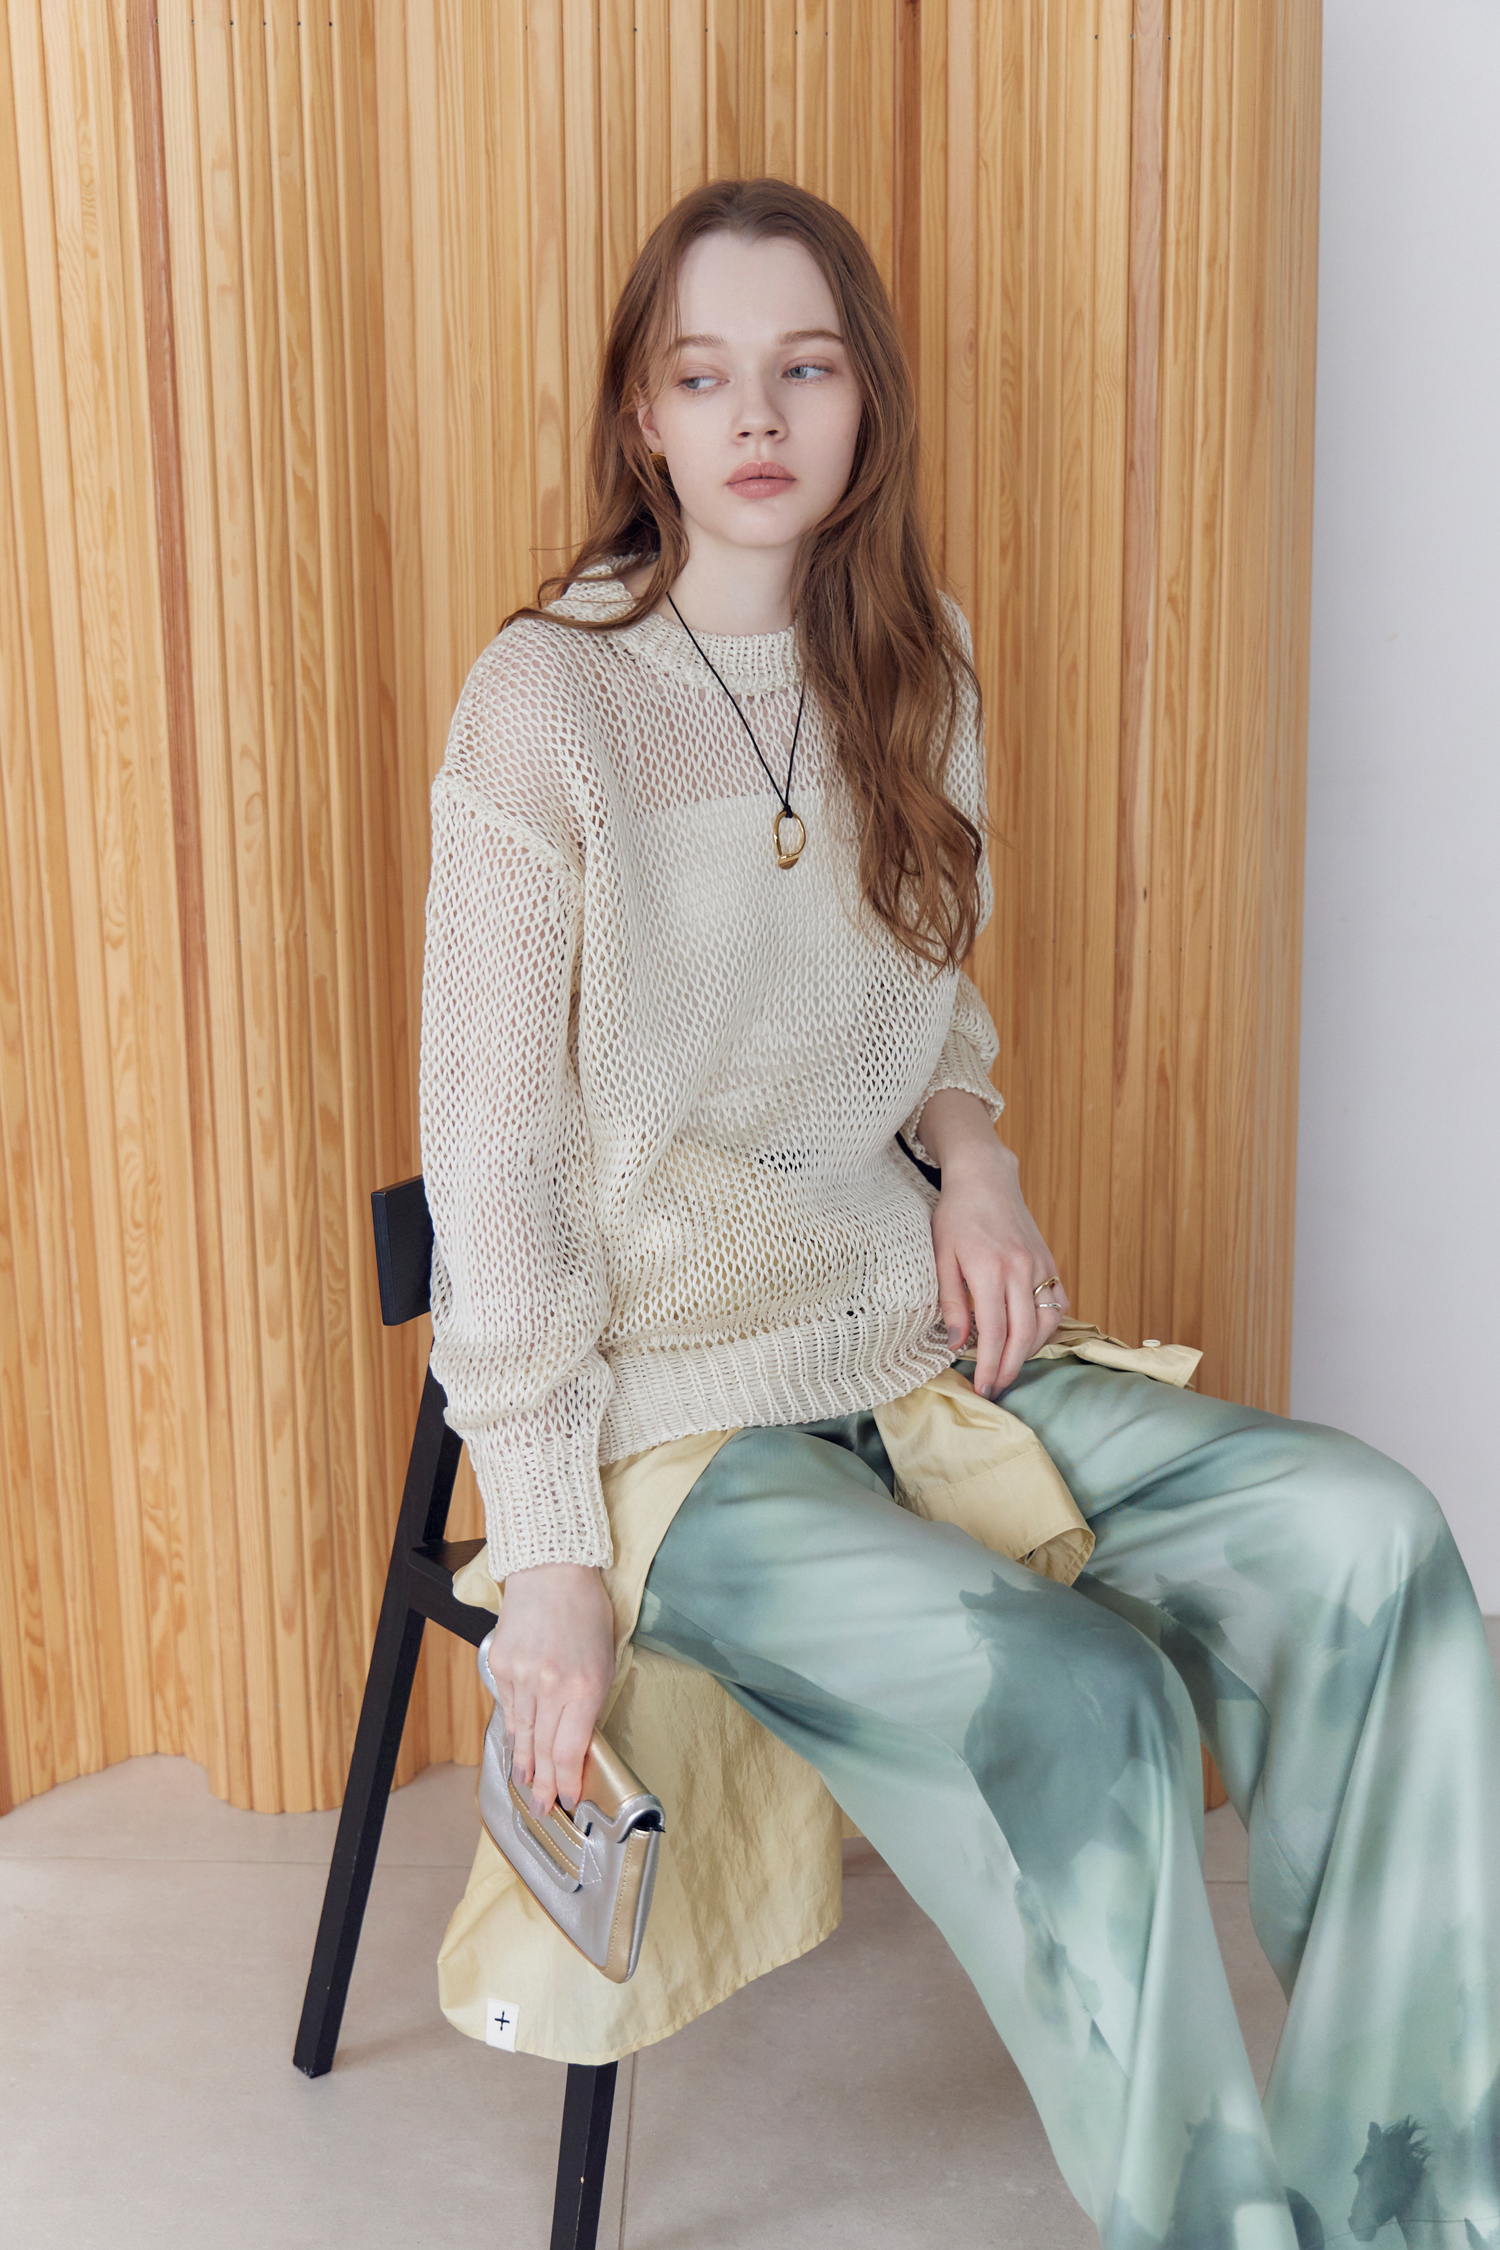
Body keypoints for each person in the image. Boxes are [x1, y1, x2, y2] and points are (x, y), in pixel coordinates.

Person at [419, 177, 1500, 2250]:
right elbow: (493, 1164)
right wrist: (545, 1547)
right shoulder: (547, 702)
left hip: (908, 1348)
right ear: (643, 416)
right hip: (677, 1426)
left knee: (1374, 1538)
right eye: (703, 375)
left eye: (804, 367)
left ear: (867, 402)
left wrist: (977, 1151)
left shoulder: (916, 663)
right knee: (1086, 1700)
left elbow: (926, 994)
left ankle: (1414, 2204)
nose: (757, 417)